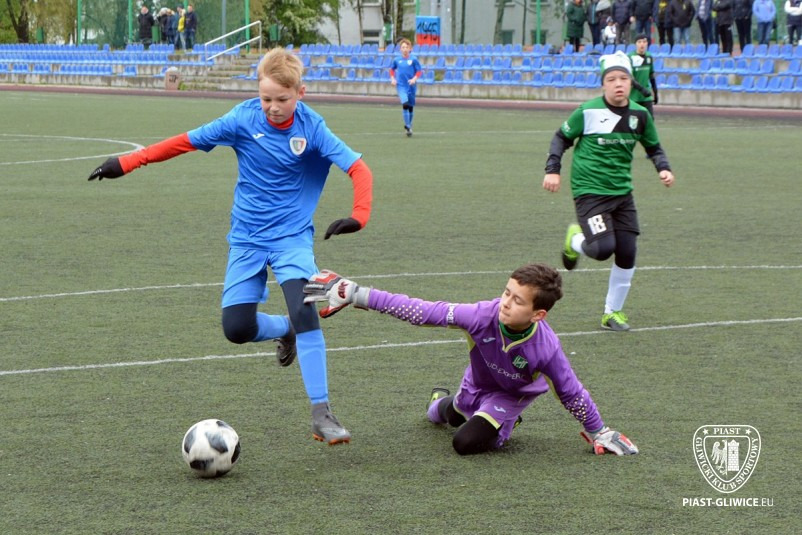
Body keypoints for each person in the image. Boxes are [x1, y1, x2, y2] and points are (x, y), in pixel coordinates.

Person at [86, 48, 374, 446]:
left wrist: (359, 215)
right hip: (246, 239)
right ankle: (285, 328)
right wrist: (126, 162)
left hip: (291, 240)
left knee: (305, 308)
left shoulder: (314, 128)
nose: (273, 107)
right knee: (237, 329)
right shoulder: (242, 119)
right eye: (266, 98)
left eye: (282, 99)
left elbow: (358, 168)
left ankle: (322, 413)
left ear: (300, 93)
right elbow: (185, 141)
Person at [302, 264, 640, 457]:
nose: (506, 303)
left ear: (538, 314)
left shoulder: (546, 349)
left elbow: (571, 392)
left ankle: (505, 424)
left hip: (509, 397)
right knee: (441, 416)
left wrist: (598, 431)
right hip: (475, 384)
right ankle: (443, 400)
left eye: (518, 301)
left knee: (464, 443)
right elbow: (425, 311)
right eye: (507, 293)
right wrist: (357, 293)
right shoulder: (481, 315)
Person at [541, 51, 675, 331]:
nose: (618, 84)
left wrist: (663, 168)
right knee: (602, 250)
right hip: (590, 191)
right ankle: (575, 240)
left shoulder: (640, 115)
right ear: (603, 84)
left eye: (623, 78)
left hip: (622, 194)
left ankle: (612, 313)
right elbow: (561, 138)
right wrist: (553, 169)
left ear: (630, 82)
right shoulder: (587, 111)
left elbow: (654, 147)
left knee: (627, 252)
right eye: (611, 79)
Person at [389, 38, 422, 137]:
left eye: (406, 47)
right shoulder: (397, 60)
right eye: (403, 47)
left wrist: (414, 79)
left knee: (411, 107)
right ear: (400, 49)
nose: (405, 49)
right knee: (405, 104)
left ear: (410, 49)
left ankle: (409, 125)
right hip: (401, 85)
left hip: (411, 86)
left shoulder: (414, 59)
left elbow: (419, 71)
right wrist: (392, 79)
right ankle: (407, 126)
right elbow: (392, 69)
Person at [629, 34, 659, 116]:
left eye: (644, 42)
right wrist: (642, 90)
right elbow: (630, 78)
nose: (642, 44)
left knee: (650, 119)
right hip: (634, 97)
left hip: (646, 97)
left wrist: (655, 92)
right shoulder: (630, 57)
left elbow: (651, 75)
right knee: (634, 121)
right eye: (639, 42)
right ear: (636, 44)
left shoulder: (649, 56)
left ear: (647, 43)